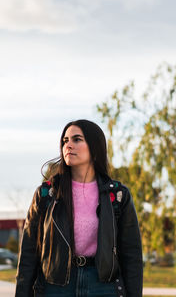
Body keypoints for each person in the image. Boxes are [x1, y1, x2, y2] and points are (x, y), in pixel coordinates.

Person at [15, 119, 143, 297]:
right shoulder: (46, 194)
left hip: (103, 285)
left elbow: (132, 255)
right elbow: (29, 253)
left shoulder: (118, 196)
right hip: (56, 286)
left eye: (76, 139)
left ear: (94, 146)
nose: (68, 145)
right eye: (65, 141)